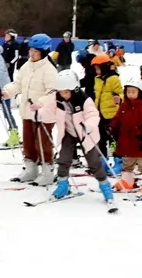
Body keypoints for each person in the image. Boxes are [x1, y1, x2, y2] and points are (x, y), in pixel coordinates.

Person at [49, 69, 115, 207]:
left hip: (86, 134)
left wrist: (89, 125)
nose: (64, 95)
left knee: (93, 163)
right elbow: (47, 108)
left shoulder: (84, 99)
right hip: (69, 133)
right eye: (61, 92)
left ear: (75, 89)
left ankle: (105, 186)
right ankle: (63, 186)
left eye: (66, 92)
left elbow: (93, 115)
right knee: (64, 159)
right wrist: (39, 111)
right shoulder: (57, 99)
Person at [2, 33, 58, 186]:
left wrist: (40, 103)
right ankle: (31, 169)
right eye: (30, 51)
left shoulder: (49, 69)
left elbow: (53, 91)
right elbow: (18, 84)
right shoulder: (26, 66)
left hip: (43, 113)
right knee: (28, 141)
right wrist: (7, 91)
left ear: (44, 52)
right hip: (27, 111)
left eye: (35, 51)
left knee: (42, 142)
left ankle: (47, 171)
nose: (31, 54)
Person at [109, 78, 142, 197]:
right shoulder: (124, 106)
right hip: (126, 141)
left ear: (139, 92)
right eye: (128, 92)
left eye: (133, 92)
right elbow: (117, 118)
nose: (130, 94)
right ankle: (127, 181)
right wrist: (111, 127)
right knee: (127, 162)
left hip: (139, 142)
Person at [92, 54, 122, 154]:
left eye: (98, 69)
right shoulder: (97, 79)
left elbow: (121, 93)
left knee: (113, 138)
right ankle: (102, 158)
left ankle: (117, 157)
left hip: (111, 115)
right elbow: (97, 96)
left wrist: (119, 99)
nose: (96, 71)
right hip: (100, 114)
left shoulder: (113, 79)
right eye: (95, 69)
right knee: (101, 138)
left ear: (104, 67)